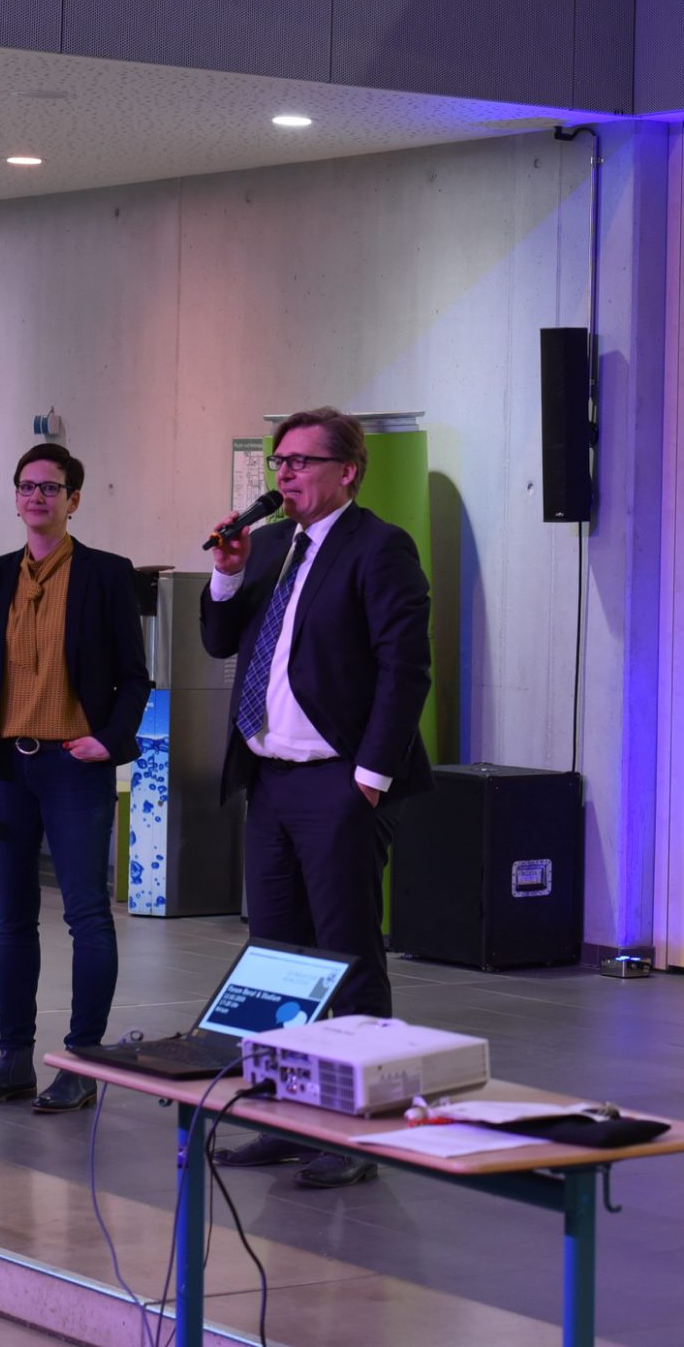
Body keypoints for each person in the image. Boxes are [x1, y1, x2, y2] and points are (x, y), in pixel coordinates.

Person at [201, 407, 432, 1189]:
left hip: (340, 779)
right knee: (276, 959)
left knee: (347, 954)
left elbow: (406, 667)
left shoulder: (380, 547)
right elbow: (219, 640)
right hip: (269, 779)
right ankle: (283, 1117)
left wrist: (372, 774)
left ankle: (359, 1130)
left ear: (348, 470)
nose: (285, 474)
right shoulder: (267, 545)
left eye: (301, 461)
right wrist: (227, 572)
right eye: (280, 462)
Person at [0, 445, 150, 1115]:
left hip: (73, 766)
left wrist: (110, 740)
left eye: (51, 488)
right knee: (12, 919)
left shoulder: (106, 574)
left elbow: (134, 676)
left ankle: (82, 1061)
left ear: (74, 500)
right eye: (27, 486)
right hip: (4, 767)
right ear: (15, 497)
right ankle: (14, 1059)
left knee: (86, 913)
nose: (37, 496)